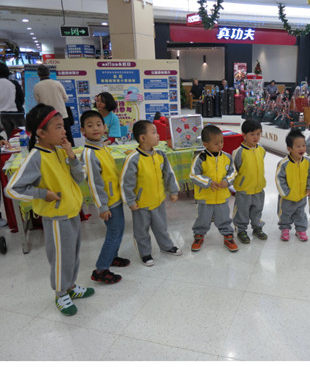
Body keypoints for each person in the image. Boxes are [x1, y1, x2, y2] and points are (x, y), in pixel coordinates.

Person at [5, 104, 93, 316]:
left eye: (63, 126)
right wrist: (42, 194)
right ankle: (60, 293)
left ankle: (70, 286)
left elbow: (79, 178)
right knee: (61, 258)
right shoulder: (36, 157)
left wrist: (71, 156)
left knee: (73, 254)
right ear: (41, 133)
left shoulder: (60, 150)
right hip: (56, 218)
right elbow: (12, 189)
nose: (64, 131)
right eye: (58, 127)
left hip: (72, 212)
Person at [120, 120, 182, 266]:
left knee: (161, 227)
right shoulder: (133, 159)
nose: (158, 135)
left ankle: (166, 246)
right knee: (141, 231)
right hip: (141, 205)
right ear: (143, 138)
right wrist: (130, 201)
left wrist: (173, 190)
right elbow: (126, 182)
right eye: (154, 132)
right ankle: (145, 253)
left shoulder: (160, 154)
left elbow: (169, 174)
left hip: (158, 201)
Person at [80, 110, 129, 285]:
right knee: (114, 233)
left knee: (118, 230)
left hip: (115, 197)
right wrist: (102, 206)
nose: (95, 128)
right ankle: (101, 269)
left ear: (104, 127)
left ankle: (112, 257)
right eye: (90, 125)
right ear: (83, 130)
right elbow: (94, 183)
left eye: (98, 124)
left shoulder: (101, 146)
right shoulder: (89, 153)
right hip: (107, 202)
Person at [189, 124, 238, 253]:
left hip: (222, 197)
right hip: (205, 198)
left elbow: (233, 172)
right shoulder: (200, 158)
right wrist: (208, 182)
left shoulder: (227, 157)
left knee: (224, 218)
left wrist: (227, 181)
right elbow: (194, 175)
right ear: (206, 144)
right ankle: (199, 236)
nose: (220, 145)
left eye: (221, 141)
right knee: (203, 219)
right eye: (216, 143)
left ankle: (228, 237)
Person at [275, 128, 310, 241]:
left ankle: (301, 230)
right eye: (298, 146)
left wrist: (309, 187)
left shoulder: (308, 161)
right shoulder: (283, 164)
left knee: (301, 214)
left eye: (303, 145)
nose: (302, 148)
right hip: (287, 197)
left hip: (301, 195)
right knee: (285, 214)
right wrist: (286, 193)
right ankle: (285, 228)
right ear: (289, 149)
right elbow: (279, 178)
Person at [232, 118, 268, 243]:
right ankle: (241, 230)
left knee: (257, 211)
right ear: (244, 135)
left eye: (258, 134)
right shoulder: (238, 152)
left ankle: (257, 228)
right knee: (242, 212)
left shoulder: (261, 149)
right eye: (252, 134)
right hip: (244, 190)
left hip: (259, 188)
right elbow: (234, 169)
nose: (256, 137)